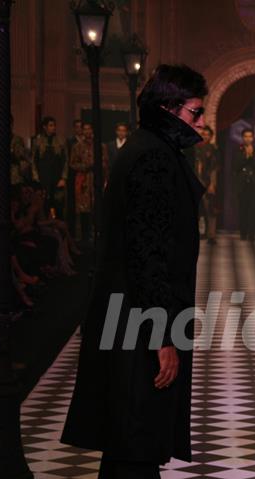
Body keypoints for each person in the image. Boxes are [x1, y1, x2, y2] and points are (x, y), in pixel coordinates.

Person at [61, 64, 209, 478]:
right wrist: (162, 336)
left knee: (131, 441)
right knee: (136, 436)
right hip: (137, 323)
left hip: (129, 316)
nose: (201, 121)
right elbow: (148, 253)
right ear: (168, 108)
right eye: (195, 112)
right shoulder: (153, 158)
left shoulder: (148, 149)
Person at [69, 122, 109, 242]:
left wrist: (100, 167)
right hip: (83, 180)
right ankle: (84, 237)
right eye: (84, 129)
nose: (87, 131)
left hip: (97, 178)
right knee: (84, 209)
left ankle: (98, 234)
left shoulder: (101, 146)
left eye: (89, 129)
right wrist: (86, 166)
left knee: (97, 207)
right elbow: (72, 163)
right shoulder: (77, 146)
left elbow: (106, 162)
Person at [32, 116, 68, 219]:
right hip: (43, 179)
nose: (53, 127)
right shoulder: (37, 141)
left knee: (59, 206)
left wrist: (63, 178)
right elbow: (33, 161)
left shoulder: (61, 141)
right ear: (45, 127)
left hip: (57, 178)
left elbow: (66, 161)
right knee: (44, 205)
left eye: (54, 125)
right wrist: (36, 177)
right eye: (51, 125)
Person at [233, 127, 255, 241]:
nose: (248, 138)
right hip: (242, 184)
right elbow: (235, 166)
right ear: (242, 138)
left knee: (253, 210)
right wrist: (246, 156)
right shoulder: (237, 150)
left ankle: (252, 234)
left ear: (253, 138)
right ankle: (243, 234)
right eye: (246, 136)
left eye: (250, 136)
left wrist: (251, 155)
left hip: (254, 184)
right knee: (243, 210)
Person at [193, 125, 220, 244]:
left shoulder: (214, 149)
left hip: (208, 181)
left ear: (211, 136)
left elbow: (215, 168)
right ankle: (199, 233)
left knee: (211, 209)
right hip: (196, 180)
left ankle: (211, 235)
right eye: (203, 134)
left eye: (207, 135)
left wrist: (212, 184)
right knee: (198, 210)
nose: (205, 136)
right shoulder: (195, 148)